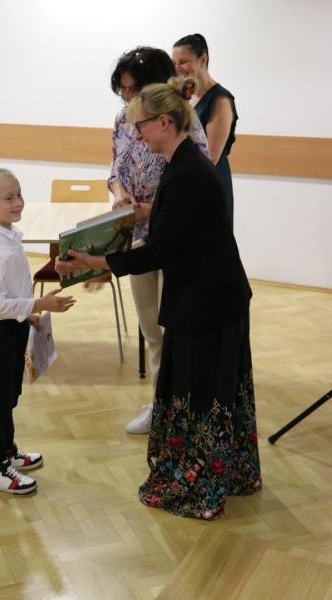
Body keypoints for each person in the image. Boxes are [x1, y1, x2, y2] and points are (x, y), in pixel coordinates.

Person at [55, 77, 261, 520]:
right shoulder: (183, 164)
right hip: (210, 295)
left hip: (207, 301)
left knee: (202, 392)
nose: (137, 135)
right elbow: (173, 232)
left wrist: (97, 263)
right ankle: (223, 473)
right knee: (207, 389)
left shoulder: (186, 173)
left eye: (141, 126)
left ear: (165, 122)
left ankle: (200, 484)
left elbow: (161, 251)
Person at [109, 46, 209, 434]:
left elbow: (193, 188)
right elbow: (115, 171)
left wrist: (150, 209)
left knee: (174, 330)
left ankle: (182, 408)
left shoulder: (185, 123)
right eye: (123, 90)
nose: (127, 97)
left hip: (175, 240)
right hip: (138, 237)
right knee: (151, 329)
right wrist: (121, 196)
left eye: (133, 89)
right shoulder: (123, 120)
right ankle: (160, 405)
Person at [0, 168, 75, 494]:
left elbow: (10, 292)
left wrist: (27, 314)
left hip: (11, 327)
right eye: (8, 197)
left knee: (9, 395)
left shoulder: (10, 236)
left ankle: (8, 451)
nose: (18, 202)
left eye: (19, 194)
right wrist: (38, 303)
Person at [172, 34, 238, 227]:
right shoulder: (184, 96)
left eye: (183, 62)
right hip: (185, 179)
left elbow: (210, 158)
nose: (177, 68)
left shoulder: (220, 100)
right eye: (174, 63)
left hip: (208, 183)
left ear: (203, 59)